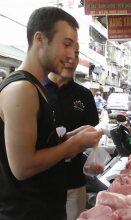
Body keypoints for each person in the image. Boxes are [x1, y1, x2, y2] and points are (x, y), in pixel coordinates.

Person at [0, 7, 103, 220]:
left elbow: (38, 145)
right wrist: (72, 146)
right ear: (40, 39)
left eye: (74, 48)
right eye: (66, 44)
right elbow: (23, 165)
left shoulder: (35, 87)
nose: (70, 56)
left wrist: (70, 137)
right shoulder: (22, 89)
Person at [44, 43, 99, 220]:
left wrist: (93, 156)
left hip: (74, 180)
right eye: (66, 53)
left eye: (76, 54)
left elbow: (90, 134)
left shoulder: (84, 95)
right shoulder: (35, 90)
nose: (71, 60)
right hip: (41, 183)